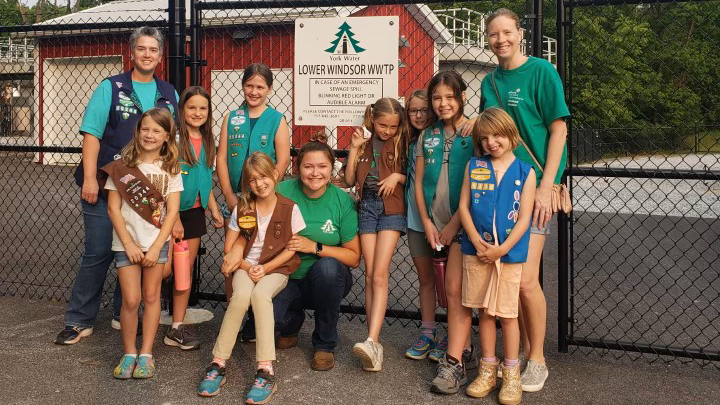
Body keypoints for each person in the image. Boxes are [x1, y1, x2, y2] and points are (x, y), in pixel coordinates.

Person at [55, 26, 179, 345]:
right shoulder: (110, 87)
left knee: (134, 250)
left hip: (148, 192)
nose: (147, 54)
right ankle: (79, 319)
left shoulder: (169, 94)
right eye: (141, 48)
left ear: (160, 56)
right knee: (98, 251)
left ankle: (119, 313)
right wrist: (90, 177)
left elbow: (175, 149)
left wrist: (174, 209)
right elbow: (91, 134)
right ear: (132, 52)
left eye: (153, 49)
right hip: (106, 184)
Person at [480, 8, 570, 392]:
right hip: (501, 188)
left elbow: (558, 129)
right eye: (493, 34)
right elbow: (490, 133)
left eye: (506, 32)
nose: (500, 40)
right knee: (506, 278)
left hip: (535, 184)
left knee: (526, 279)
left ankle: (537, 358)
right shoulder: (489, 82)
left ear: (520, 34)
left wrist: (548, 184)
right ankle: (511, 359)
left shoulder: (542, 73)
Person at [197, 152, 305, 403]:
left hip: (276, 269)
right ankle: (218, 362)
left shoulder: (289, 208)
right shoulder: (243, 209)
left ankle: (265, 369)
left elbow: (292, 247)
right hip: (246, 266)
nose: (260, 183)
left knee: (260, 294)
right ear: (247, 183)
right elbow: (229, 247)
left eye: (264, 177)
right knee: (241, 295)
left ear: (275, 175)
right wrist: (246, 265)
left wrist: (265, 269)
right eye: (253, 179)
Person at [459, 108, 535, 405]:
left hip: (508, 255)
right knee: (484, 312)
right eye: (485, 137)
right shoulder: (474, 166)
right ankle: (488, 369)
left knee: (507, 313)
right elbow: (464, 207)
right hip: (477, 251)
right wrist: (477, 242)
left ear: (511, 134)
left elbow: (525, 217)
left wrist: (502, 249)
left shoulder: (525, 172)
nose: (492, 142)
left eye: (498, 135)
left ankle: (511, 373)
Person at [103, 108, 182, 379]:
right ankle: (128, 352)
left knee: (151, 297)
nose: (150, 135)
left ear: (167, 136)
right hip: (127, 244)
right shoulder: (122, 165)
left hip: (155, 244)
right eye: (145, 128)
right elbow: (113, 209)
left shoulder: (171, 168)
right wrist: (130, 245)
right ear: (137, 131)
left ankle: (146, 353)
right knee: (130, 299)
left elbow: (172, 212)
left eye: (157, 131)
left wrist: (158, 246)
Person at [273, 132, 360, 371]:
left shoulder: (342, 201)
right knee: (271, 321)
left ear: (332, 169)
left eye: (322, 166)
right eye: (308, 166)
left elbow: (353, 258)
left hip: (323, 281)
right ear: (297, 167)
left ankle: (324, 343)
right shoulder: (281, 191)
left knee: (330, 268)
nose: (315, 173)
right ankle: (291, 323)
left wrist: (315, 247)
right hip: (284, 276)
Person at [216, 63, 291, 339]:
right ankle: (233, 314)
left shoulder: (277, 119)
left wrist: (265, 191)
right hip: (237, 200)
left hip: (262, 201)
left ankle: (254, 319)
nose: (254, 91)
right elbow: (221, 158)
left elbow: (282, 160)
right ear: (243, 86)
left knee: (258, 252)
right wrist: (228, 194)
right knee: (232, 255)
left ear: (269, 89)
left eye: (260, 87)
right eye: (250, 85)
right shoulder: (231, 117)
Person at [414, 71, 476, 394]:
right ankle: (460, 347)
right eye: (437, 98)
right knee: (446, 289)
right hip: (435, 225)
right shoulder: (428, 135)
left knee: (454, 290)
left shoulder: (474, 131)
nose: (443, 103)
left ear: (462, 97)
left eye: (450, 97)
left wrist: (454, 225)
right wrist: (426, 221)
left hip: (464, 226)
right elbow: (418, 182)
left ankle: (456, 361)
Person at [344, 98, 408, 372]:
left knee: (380, 273)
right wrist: (353, 150)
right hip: (367, 206)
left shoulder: (403, 141)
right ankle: (374, 342)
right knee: (370, 273)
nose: (387, 131)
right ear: (372, 119)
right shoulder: (363, 141)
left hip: (391, 207)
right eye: (383, 125)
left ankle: (372, 339)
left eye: (393, 126)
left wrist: (398, 177)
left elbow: (415, 175)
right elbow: (348, 180)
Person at [164, 86, 223, 350]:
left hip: (195, 214)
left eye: (203, 108)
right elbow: (165, 181)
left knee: (183, 272)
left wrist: (213, 208)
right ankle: (149, 316)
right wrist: (172, 217)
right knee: (162, 269)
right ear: (182, 110)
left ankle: (176, 327)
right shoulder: (174, 140)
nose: (197, 113)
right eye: (192, 107)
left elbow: (205, 179)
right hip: (171, 213)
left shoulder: (209, 141)